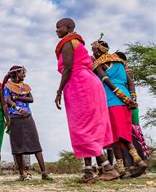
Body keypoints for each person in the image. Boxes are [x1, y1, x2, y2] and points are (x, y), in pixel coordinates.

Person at [54, 18, 119, 183]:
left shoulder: (68, 42)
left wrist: (59, 91)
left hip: (79, 84)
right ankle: (88, 172)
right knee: (86, 125)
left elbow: (68, 68)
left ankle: (108, 168)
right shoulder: (79, 43)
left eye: (58, 27)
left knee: (82, 126)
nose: (56, 30)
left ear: (68, 27)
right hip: (88, 83)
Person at [91, 39, 147, 178]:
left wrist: (121, 96)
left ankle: (135, 163)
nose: (93, 53)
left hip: (111, 101)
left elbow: (106, 81)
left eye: (93, 50)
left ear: (99, 51)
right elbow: (131, 83)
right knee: (124, 131)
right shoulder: (119, 63)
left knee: (115, 134)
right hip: (126, 102)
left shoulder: (99, 64)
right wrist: (132, 99)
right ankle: (125, 167)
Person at [3, 66, 51, 181]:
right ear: (15, 74)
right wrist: (18, 108)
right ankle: (21, 174)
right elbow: (7, 100)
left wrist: (17, 97)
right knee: (17, 145)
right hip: (15, 116)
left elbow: (31, 99)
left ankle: (44, 172)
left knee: (35, 142)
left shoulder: (25, 87)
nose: (24, 75)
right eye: (22, 73)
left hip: (28, 116)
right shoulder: (8, 86)